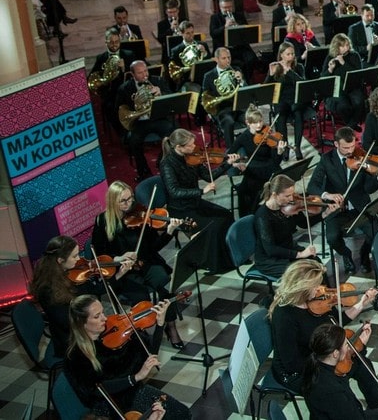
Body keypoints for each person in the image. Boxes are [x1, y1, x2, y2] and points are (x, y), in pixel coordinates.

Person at [268, 259, 378, 403]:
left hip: (322, 355)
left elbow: (334, 321)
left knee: (362, 363)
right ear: (302, 288)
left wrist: (361, 304)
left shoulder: (317, 302)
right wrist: (332, 361)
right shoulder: (284, 316)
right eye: (315, 286)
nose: (319, 289)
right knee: (338, 385)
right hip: (298, 370)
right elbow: (292, 363)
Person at [91, 181, 186, 348]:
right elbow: (100, 256)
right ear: (113, 202)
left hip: (146, 263)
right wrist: (119, 258)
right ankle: (142, 338)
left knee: (163, 285)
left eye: (131, 199)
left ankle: (170, 327)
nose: (130, 204)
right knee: (141, 298)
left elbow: (154, 246)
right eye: (124, 201)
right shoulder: (102, 221)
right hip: (123, 272)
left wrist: (169, 232)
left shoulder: (140, 215)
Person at [65, 294, 189, 418]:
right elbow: (97, 389)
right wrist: (136, 377)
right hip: (110, 404)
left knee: (182, 413)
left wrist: (160, 324)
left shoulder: (114, 336)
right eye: (97, 316)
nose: (105, 319)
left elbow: (150, 356)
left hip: (132, 390)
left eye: (103, 312)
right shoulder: (76, 355)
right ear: (82, 323)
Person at [306, 127, 378, 275]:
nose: (350, 151)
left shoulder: (361, 157)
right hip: (337, 209)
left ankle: (364, 255)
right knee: (332, 238)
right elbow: (312, 186)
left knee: (376, 233)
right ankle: (346, 255)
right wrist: (328, 195)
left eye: (353, 146)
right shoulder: (327, 160)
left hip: (360, 206)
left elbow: (368, 188)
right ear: (336, 144)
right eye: (346, 147)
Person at [159, 128, 237, 273]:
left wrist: (227, 164)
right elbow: (174, 192)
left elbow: (208, 176)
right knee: (213, 226)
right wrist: (202, 191)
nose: (194, 147)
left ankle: (230, 256)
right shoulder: (167, 164)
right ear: (178, 147)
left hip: (195, 203)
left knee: (226, 215)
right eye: (190, 145)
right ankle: (214, 264)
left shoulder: (193, 157)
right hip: (180, 209)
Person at [302, 323, 378, 419]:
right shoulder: (333, 390)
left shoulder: (313, 365)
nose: (349, 346)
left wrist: (361, 345)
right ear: (335, 353)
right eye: (346, 344)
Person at [29, 236, 106, 359]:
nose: (79, 259)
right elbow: (66, 321)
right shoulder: (47, 289)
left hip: (85, 324)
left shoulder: (72, 273)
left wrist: (118, 274)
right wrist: (93, 318)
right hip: (71, 338)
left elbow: (93, 292)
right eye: (74, 256)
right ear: (60, 260)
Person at [254, 174, 337, 277]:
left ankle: (327, 292)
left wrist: (325, 214)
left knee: (316, 263)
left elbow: (304, 223)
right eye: (287, 196)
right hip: (270, 259)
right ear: (275, 195)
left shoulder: (288, 207)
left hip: (288, 248)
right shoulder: (262, 216)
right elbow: (271, 249)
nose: (291, 199)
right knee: (304, 273)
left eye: (292, 194)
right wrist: (300, 255)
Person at [115, 60, 172, 181]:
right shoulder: (124, 88)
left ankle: (162, 161)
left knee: (173, 132)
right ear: (132, 74)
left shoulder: (158, 81)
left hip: (157, 118)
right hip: (139, 122)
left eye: (146, 71)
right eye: (140, 73)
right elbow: (119, 110)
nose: (145, 75)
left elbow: (171, 97)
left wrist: (161, 93)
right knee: (134, 141)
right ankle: (143, 172)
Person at [229, 104, 287, 217]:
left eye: (260, 121)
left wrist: (279, 152)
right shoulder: (243, 137)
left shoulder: (268, 133)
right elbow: (230, 153)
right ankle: (254, 216)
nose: (260, 125)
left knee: (282, 185)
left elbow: (275, 162)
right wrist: (236, 163)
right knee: (248, 191)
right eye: (255, 122)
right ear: (248, 123)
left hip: (269, 168)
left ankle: (280, 215)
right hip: (253, 170)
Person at [265, 41, 309, 160]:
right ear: (281, 55)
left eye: (292, 54)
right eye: (288, 54)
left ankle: (297, 146)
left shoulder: (298, 67)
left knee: (298, 114)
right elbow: (266, 88)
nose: (291, 56)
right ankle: (284, 147)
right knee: (281, 117)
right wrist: (271, 74)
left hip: (295, 99)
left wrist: (289, 71)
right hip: (281, 100)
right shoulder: (275, 68)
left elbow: (302, 83)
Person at [90, 27, 136, 130]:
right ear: (106, 42)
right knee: (110, 108)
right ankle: (122, 133)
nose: (114, 44)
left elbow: (135, 74)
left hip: (127, 91)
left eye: (116, 42)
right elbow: (92, 77)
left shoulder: (129, 54)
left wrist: (124, 68)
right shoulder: (101, 58)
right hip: (111, 93)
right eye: (111, 42)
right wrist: (102, 81)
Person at [201, 46, 244, 148]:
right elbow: (205, 97)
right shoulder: (209, 76)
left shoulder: (236, 70)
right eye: (224, 58)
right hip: (221, 109)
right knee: (229, 122)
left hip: (237, 107)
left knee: (253, 119)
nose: (228, 61)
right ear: (216, 59)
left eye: (229, 57)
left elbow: (245, 90)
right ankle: (231, 152)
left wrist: (241, 81)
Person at [322, 33, 365, 128]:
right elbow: (323, 77)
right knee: (343, 107)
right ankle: (351, 124)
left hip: (352, 86)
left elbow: (357, 74)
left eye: (347, 45)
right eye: (342, 46)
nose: (346, 48)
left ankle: (351, 124)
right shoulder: (330, 57)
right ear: (336, 47)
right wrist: (330, 70)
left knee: (358, 101)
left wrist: (343, 63)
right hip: (337, 89)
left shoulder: (354, 55)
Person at [169, 21, 210, 93]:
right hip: (187, 80)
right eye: (188, 33)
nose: (191, 35)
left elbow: (210, 61)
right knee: (197, 91)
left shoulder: (202, 44)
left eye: (192, 32)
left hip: (203, 77)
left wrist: (204, 53)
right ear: (181, 34)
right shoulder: (176, 51)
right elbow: (176, 71)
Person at [155, 0, 183, 66]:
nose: (173, 14)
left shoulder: (184, 20)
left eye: (174, 12)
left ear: (178, 11)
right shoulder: (162, 24)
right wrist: (170, 29)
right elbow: (161, 39)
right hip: (169, 53)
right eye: (170, 12)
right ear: (166, 12)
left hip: (182, 51)